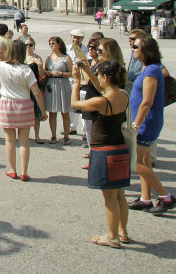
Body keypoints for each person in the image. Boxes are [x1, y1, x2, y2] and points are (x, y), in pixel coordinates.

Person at [71, 60, 132, 247]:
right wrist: (89, 71)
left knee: (110, 197)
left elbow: (75, 103)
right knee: (120, 194)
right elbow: (102, 87)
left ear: (105, 77)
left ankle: (112, 237)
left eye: (99, 75)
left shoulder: (101, 101)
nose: (97, 79)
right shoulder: (123, 95)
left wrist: (75, 81)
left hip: (105, 152)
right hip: (120, 148)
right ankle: (122, 232)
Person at [128, 35, 176, 214]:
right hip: (145, 121)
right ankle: (145, 198)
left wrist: (136, 123)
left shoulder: (151, 71)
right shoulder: (147, 68)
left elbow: (147, 102)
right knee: (145, 161)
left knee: (138, 162)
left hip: (146, 122)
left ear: (146, 51)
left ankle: (166, 197)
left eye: (136, 47)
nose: (132, 48)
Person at [0, 40, 48, 181]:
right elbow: (37, 92)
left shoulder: (2, 66)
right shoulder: (26, 70)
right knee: (24, 142)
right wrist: (43, 111)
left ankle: (12, 169)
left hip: (6, 103)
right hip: (24, 104)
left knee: (9, 140)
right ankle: (24, 172)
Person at [42, 36, 74, 144]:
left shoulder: (66, 57)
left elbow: (72, 73)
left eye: (53, 43)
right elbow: (44, 71)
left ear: (59, 44)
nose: (51, 45)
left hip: (63, 83)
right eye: (50, 43)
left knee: (65, 112)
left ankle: (66, 136)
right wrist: (48, 73)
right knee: (52, 112)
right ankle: (53, 135)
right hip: (52, 83)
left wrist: (61, 73)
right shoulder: (49, 57)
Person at [24, 36, 46, 144]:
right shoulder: (22, 57)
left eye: (30, 45)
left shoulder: (37, 58)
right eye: (26, 45)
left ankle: (37, 135)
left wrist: (40, 66)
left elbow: (41, 75)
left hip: (35, 86)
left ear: (34, 46)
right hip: (24, 88)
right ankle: (25, 135)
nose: (28, 47)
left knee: (36, 113)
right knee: (26, 113)